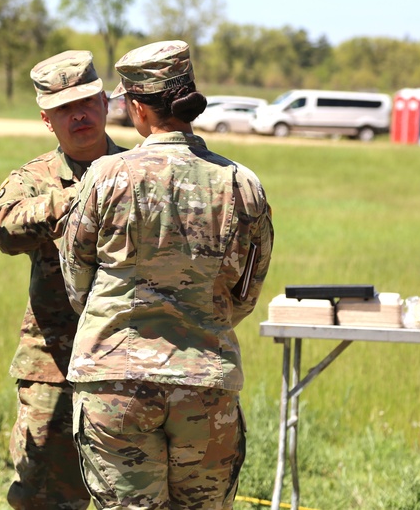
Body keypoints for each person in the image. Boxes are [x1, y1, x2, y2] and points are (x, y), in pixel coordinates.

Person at [60, 40, 274, 510]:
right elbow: (246, 290)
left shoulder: (106, 175)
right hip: (205, 382)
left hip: (115, 380)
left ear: (138, 107)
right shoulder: (242, 183)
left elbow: (76, 278)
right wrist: (201, 322)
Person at [0, 50, 126, 510]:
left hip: (132, 362)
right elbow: (3, 228)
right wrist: (78, 198)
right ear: (48, 120)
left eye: (87, 102)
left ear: (106, 103)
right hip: (55, 364)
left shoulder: (142, 171)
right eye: (65, 109)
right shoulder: (36, 176)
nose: (79, 115)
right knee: (45, 495)